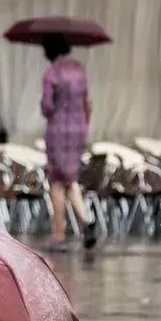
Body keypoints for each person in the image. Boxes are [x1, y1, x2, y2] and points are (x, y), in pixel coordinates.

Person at [41, 34, 93, 250]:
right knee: (70, 179)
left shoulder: (52, 74)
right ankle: (86, 221)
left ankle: (59, 235)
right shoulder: (79, 71)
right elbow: (88, 102)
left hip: (58, 131)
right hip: (78, 130)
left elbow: (47, 107)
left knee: (56, 182)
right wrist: (84, 125)